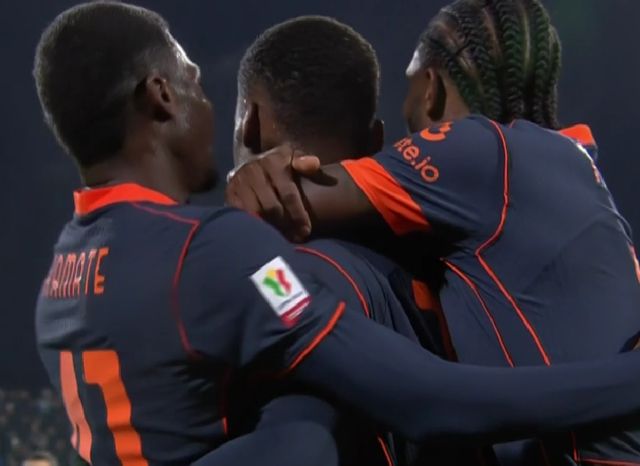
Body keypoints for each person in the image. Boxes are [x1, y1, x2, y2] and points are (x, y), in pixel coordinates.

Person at [34, 2, 640, 466]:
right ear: (161, 97)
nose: (208, 104)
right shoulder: (235, 256)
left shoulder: (60, 287)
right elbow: (354, 424)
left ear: (253, 124)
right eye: (195, 81)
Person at [225, 0, 640, 464]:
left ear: (431, 90)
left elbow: (424, 405)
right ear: (376, 142)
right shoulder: (569, 179)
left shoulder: (280, 271)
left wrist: (244, 197)